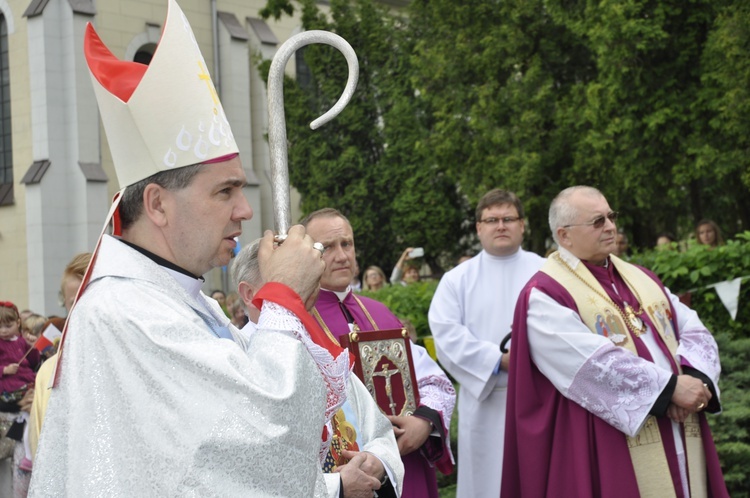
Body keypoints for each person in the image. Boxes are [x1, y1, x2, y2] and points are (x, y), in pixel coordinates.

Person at [29, 2, 349, 495]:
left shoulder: (182, 300)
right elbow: (259, 433)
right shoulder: (125, 312)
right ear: (157, 204)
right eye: (225, 191)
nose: (244, 210)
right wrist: (282, 295)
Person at [502, 186, 728, 497]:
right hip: (611, 441)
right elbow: (588, 364)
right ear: (564, 235)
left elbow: (692, 326)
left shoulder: (641, 277)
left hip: (680, 423)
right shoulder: (544, 294)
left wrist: (695, 379)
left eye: (611, 217)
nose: (610, 226)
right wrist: (670, 390)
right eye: (597, 221)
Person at [231, 239, 405, 498]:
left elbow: (377, 430)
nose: (308, 293)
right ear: (249, 294)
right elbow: (255, 473)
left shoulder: (323, 352)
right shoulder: (238, 360)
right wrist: (338, 486)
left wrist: (376, 461)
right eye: (291, 282)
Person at [302, 208, 456, 498]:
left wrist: (423, 422)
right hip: (344, 470)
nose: (341, 255)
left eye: (346, 244)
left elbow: (433, 380)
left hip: (403, 460)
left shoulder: (379, 313)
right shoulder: (296, 322)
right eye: (327, 247)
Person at [428, 188, 544, 498]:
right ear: (479, 227)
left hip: (543, 396)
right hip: (486, 402)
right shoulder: (457, 279)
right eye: (492, 220)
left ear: (522, 224)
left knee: (540, 478)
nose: (501, 226)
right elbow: (446, 335)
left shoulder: (547, 271)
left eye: (508, 218)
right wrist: (500, 359)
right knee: (488, 485)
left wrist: (534, 356)